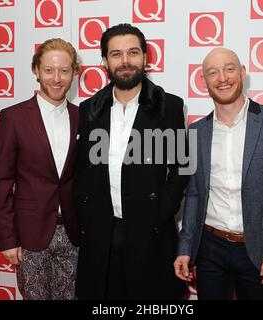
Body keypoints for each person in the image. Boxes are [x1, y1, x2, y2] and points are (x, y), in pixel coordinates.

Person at [174, 47, 263, 300]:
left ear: (243, 73)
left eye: (229, 69)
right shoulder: (195, 131)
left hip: (260, 251)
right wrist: (185, 246)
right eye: (212, 72)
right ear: (204, 82)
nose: (222, 78)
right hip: (209, 249)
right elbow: (193, 194)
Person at [74, 23, 189, 299]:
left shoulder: (169, 106)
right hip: (102, 232)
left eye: (132, 52)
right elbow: (81, 169)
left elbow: (182, 167)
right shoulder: (89, 109)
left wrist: (162, 212)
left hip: (151, 231)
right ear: (104, 61)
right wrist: (86, 215)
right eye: (116, 54)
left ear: (145, 57)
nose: (125, 61)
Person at [0, 38, 81, 300]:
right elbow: (2, 182)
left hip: (74, 234)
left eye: (64, 71)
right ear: (36, 71)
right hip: (30, 235)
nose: (57, 78)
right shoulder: (13, 117)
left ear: (74, 73)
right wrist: (8, 239)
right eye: (49, 70)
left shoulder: (82, 116)